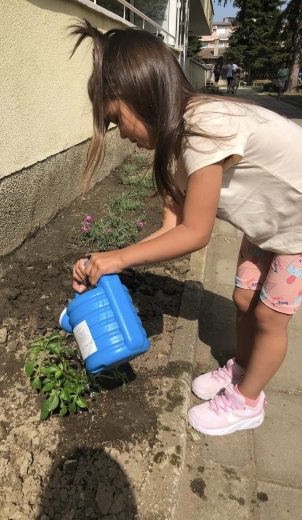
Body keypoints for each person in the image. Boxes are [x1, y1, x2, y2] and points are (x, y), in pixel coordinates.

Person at [70, 20, 302, 437]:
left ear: (142, 96)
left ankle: (248, 402)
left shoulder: (201, 130)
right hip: (268, 224)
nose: (121, 135)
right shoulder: (174, 147)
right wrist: (108, 263)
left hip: (298, 227)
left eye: (115, 120)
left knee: (269, 317)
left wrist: (117, 258)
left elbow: (195, 234)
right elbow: (171, 228)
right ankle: (244, 371)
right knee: (243, 298)